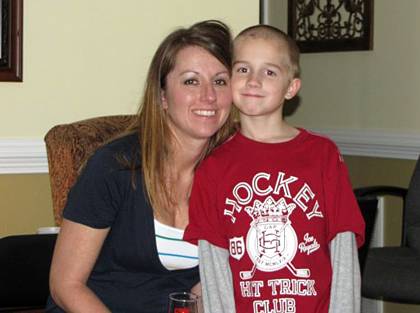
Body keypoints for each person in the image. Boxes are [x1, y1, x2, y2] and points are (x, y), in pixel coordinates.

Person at [46, 20, 237, 313]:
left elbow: (210, 282)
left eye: (220, 81)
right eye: (190, 81)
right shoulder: (114, 167)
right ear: (162, 96)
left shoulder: (234, 177)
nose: (208, 95)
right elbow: (65, 285)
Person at [184, 25, 365, 313]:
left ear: (291, 87)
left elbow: (342, 250)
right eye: (243, 70)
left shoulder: (323, 155)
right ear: (229, 79)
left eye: (269, 72)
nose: (253, 81)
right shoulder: (212, 167)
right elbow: (214, 267)